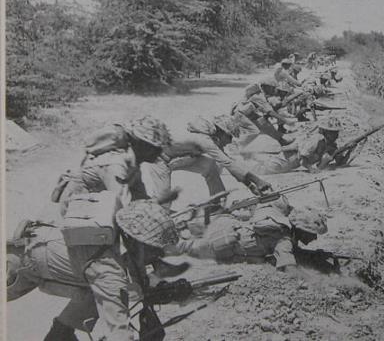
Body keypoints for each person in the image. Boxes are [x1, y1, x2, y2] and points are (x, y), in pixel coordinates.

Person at [6, 198, 180, 341]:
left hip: (34, 247)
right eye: (154, 248)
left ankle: (60, 335)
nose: (158, 255)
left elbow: (134, 274)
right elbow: (119, 332)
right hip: (16, 265)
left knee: (94, 293)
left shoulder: (116, 229)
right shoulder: (108, 270)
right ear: (138, 242)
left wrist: (150, 293)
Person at [141, 115, 273, 202]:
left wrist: (250, 185)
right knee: (164, 200)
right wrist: (258, 181)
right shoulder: (204, 140)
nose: (229, 142)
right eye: (229, 137)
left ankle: (217, 201)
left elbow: (230, 164)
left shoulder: (211, 137)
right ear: (221, 132)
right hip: (159, 162)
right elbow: (228, 162)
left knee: (210, 166)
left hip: (178, 158)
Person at [56, 116, 172, 213]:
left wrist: (156, 205)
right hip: (77, 211)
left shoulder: (133, 163)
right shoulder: (115, 164)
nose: (159, 153)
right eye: (156, 149)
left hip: (95, 206)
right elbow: (122, 207)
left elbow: (138, 197)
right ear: (143, 145)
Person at [166, 202, 327, 271]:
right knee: (182, 248)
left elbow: (295, 252)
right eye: (312, 234)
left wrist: (315, 256)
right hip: (222, 242)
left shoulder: (281, 223)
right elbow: (289, 268)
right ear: (302, 229)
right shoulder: (284, 241)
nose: (314, 238)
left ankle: (179, 227)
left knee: (192, 230)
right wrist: (315, 280)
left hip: (227, 224)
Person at [232, 83, 296, 146]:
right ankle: (236, 145)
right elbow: (270, 111)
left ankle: (281, 140)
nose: (273, 89)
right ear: (265, 87)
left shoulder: (260, 94)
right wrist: (286, 120)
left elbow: (267, 109)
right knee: (254, 131)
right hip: (240, 115)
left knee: (263, 123)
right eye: (272, 87)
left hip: (247, 113)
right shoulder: (259, 96)